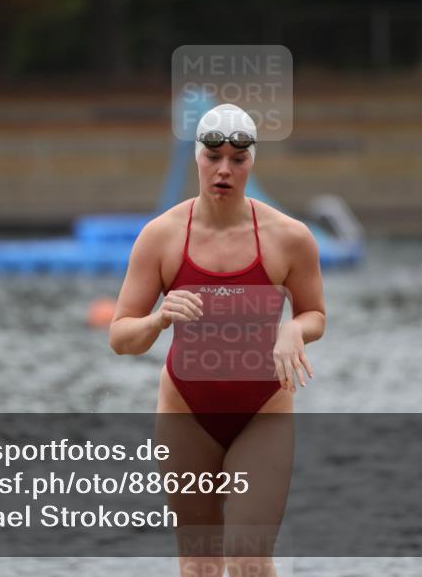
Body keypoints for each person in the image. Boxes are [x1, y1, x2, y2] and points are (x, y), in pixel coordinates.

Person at [109, 103, 326, 576]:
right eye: (213, 157)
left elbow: (315, 315)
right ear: (196, 158)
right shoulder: (160, 237)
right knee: (200, 566)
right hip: (186, 411)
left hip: (263, 410)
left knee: (249, 560)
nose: (224, 169)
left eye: (238, 158)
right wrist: (159, 318)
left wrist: (294, 328)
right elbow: (121, 337)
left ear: (252, 162)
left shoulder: (290, 238)